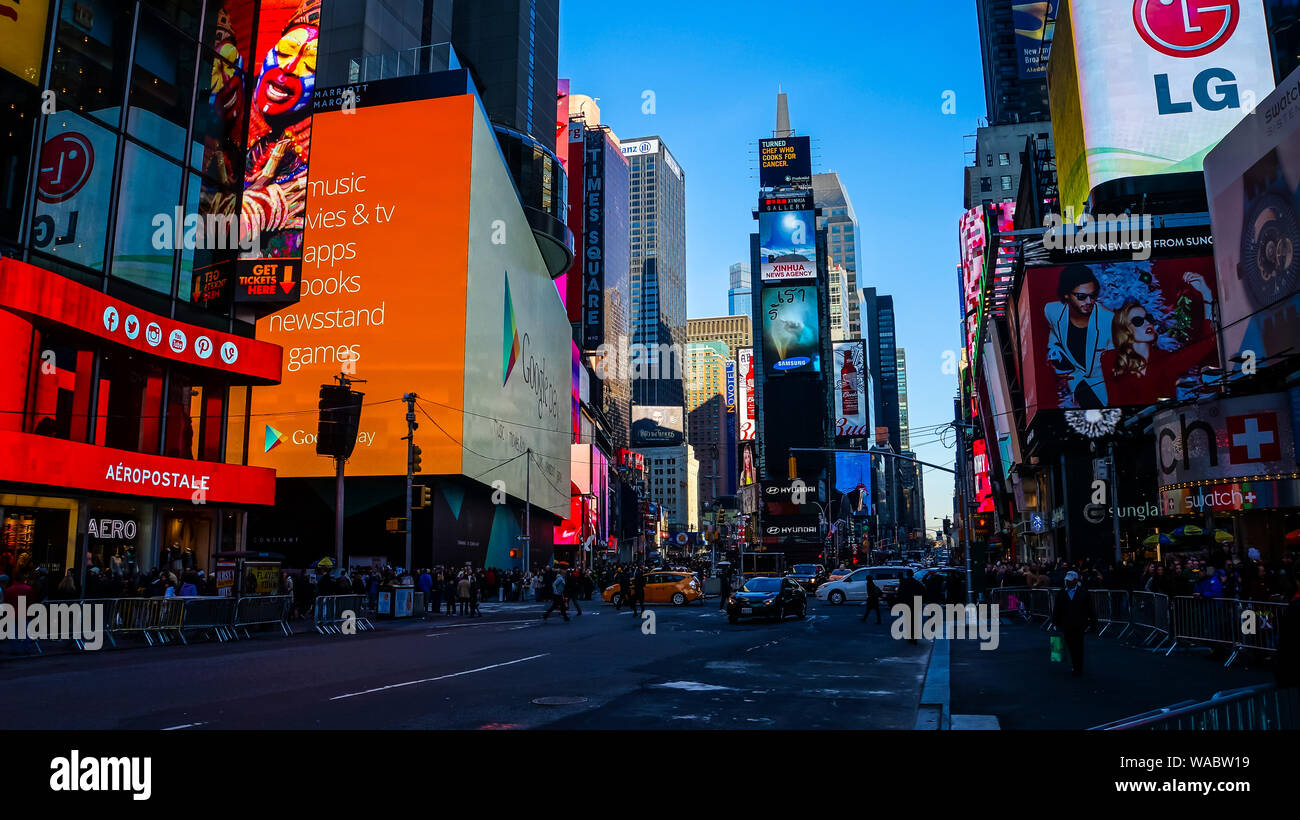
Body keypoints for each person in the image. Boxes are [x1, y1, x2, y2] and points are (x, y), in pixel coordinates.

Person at [1044, 265, 1114, 408]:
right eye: (1082, 297)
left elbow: (1114, 362)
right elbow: (1053, 338)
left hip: (1103, 392)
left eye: (1093, 296)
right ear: (1066, 295)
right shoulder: (1051, 311)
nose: (1089, 302)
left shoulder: (1108, 320)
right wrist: (1053, 358)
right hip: (1075, 387)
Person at [1052, 571, 1097, 677]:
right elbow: (1057, 609)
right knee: (1070, 645)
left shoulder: (1084, 593)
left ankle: (1078, 667)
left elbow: (1090, 609)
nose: (1068, 582)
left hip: (1079, 624)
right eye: (1067, 580)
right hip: (1066, 624)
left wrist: (1093, 623)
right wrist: (1055, 622)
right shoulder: (1061, 593)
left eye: (1070, 581)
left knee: (1078, 645)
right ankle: (1075, 664)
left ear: (1076, 581)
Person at [896, 571, 926, 644]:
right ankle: (914, 637)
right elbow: (923, 591)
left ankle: (909, 636)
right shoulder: (917, 583)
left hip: (906, 603)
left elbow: (899, 593)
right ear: (912, 575)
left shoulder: (904, 583)